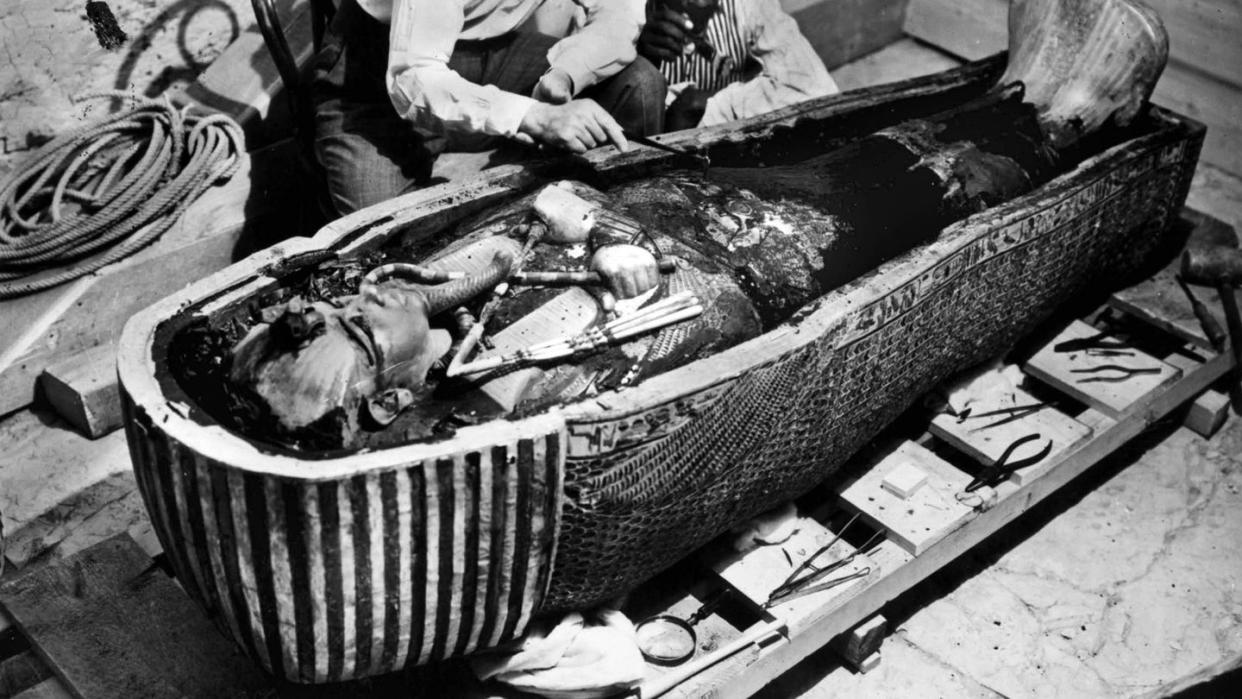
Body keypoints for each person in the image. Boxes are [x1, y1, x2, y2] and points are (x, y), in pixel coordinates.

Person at [312, 0, 668, 215]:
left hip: (486, 53)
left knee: (637, 84)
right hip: (376, 84)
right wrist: (533, 116)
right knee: (387, 251)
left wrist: (566, 74)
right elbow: (415, 80)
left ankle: (630, 229)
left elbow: (618, 12)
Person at [637, 0, 837, 130]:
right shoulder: (630, 11)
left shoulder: (749, 5)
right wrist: (637, 55)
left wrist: (705, 105)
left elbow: (817, 91)